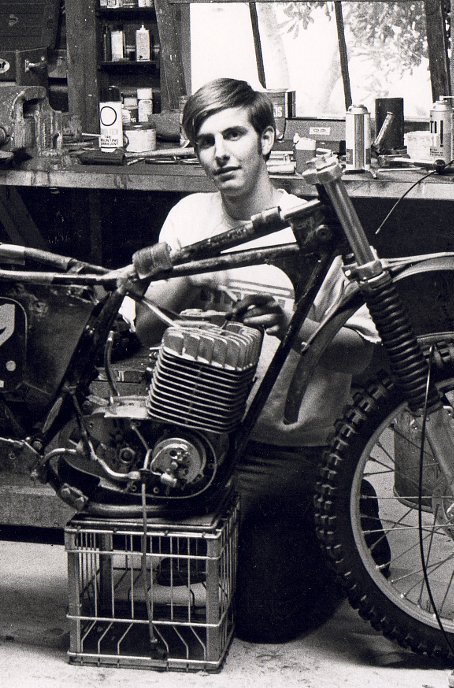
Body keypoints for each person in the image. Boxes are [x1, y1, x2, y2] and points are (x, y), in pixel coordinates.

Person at [134, 78, 381, 643]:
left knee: (261, 623)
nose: (219, 152)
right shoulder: (189, 219)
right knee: (173, 573)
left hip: (294, 448)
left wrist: (294, 327)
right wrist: (180, 282)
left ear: (267, 140)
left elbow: (364, 355)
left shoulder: (318, 228)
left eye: (234, 134)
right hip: (212, 443)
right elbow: (141, 332)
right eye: (204, 141)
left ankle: (350, 517)